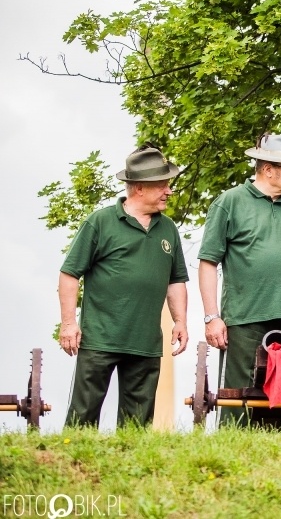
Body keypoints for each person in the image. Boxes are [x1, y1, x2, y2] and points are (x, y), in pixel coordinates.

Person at [60, 144, 189, 427]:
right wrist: (69, 323)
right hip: (100, 339)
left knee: (137, 428)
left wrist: (180, 321)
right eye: (162, 185)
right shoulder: (100, 222)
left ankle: (131, 469)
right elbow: (70, 274)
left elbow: (176, 280)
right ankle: (75, 466)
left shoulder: (168, 229)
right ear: (139, 188)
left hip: (145, 343)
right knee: (82, 418)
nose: (169, 191)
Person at [198, 133, 281, 429]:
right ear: (267, 169)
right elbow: (208, 263)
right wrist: (212, 317)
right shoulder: (229, 203)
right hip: (245, 318)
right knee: (237, 404)